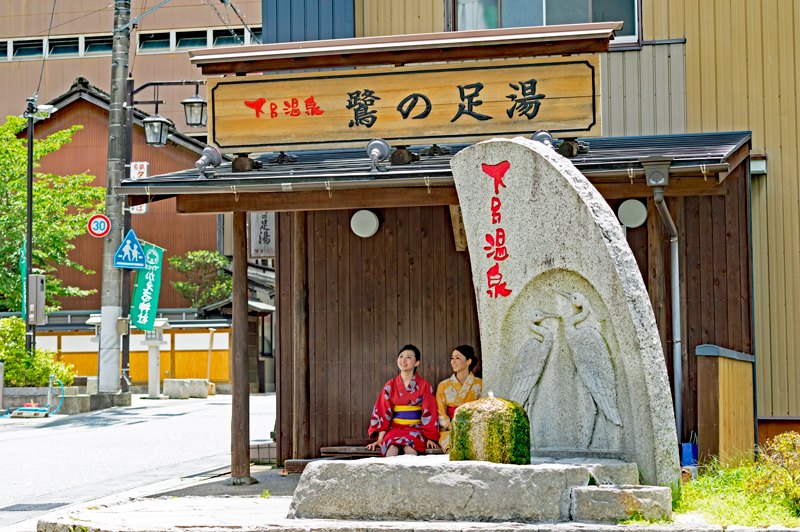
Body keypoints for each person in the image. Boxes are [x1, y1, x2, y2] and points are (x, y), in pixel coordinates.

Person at [366, 345, 440, 456]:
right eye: (401, 356)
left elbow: (430, 412)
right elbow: (382, 412)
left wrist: (430, 438)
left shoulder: (424, 385)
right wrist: (380, 439)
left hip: (416, 429)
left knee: (410, 450)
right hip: (395, 429)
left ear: (417, 363)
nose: (403, 360)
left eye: (409, 357)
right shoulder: (390, 385)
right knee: (391, 450)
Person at [436, 345, 482, 452]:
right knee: (450, 448)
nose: (453, 361)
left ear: (468, 361)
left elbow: (483, 410)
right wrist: (450, 426)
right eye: (452, 358)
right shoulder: (443, 385)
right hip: (450, 429)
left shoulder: (479, 384)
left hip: (473, 428)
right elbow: (440, 411)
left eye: (457, 358)